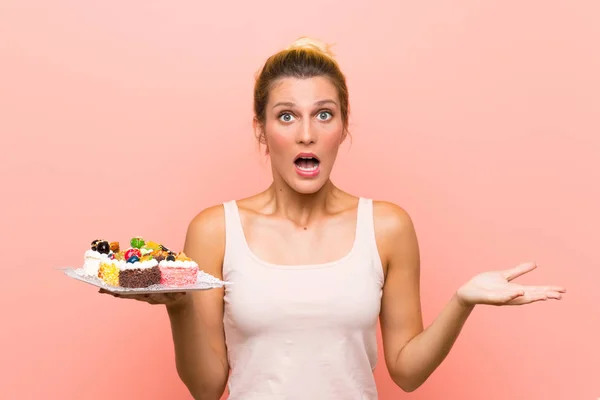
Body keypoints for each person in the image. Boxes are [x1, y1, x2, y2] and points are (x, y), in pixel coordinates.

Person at [101, 37, 566, 399]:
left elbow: (406, 372)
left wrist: (462, 302)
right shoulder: (214, 231)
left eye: (324, 114)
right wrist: (180, 306)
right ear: (260, 129)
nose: (307, 134)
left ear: (343, 126)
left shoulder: (387, 227)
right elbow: (206, 389)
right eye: (286, 117)